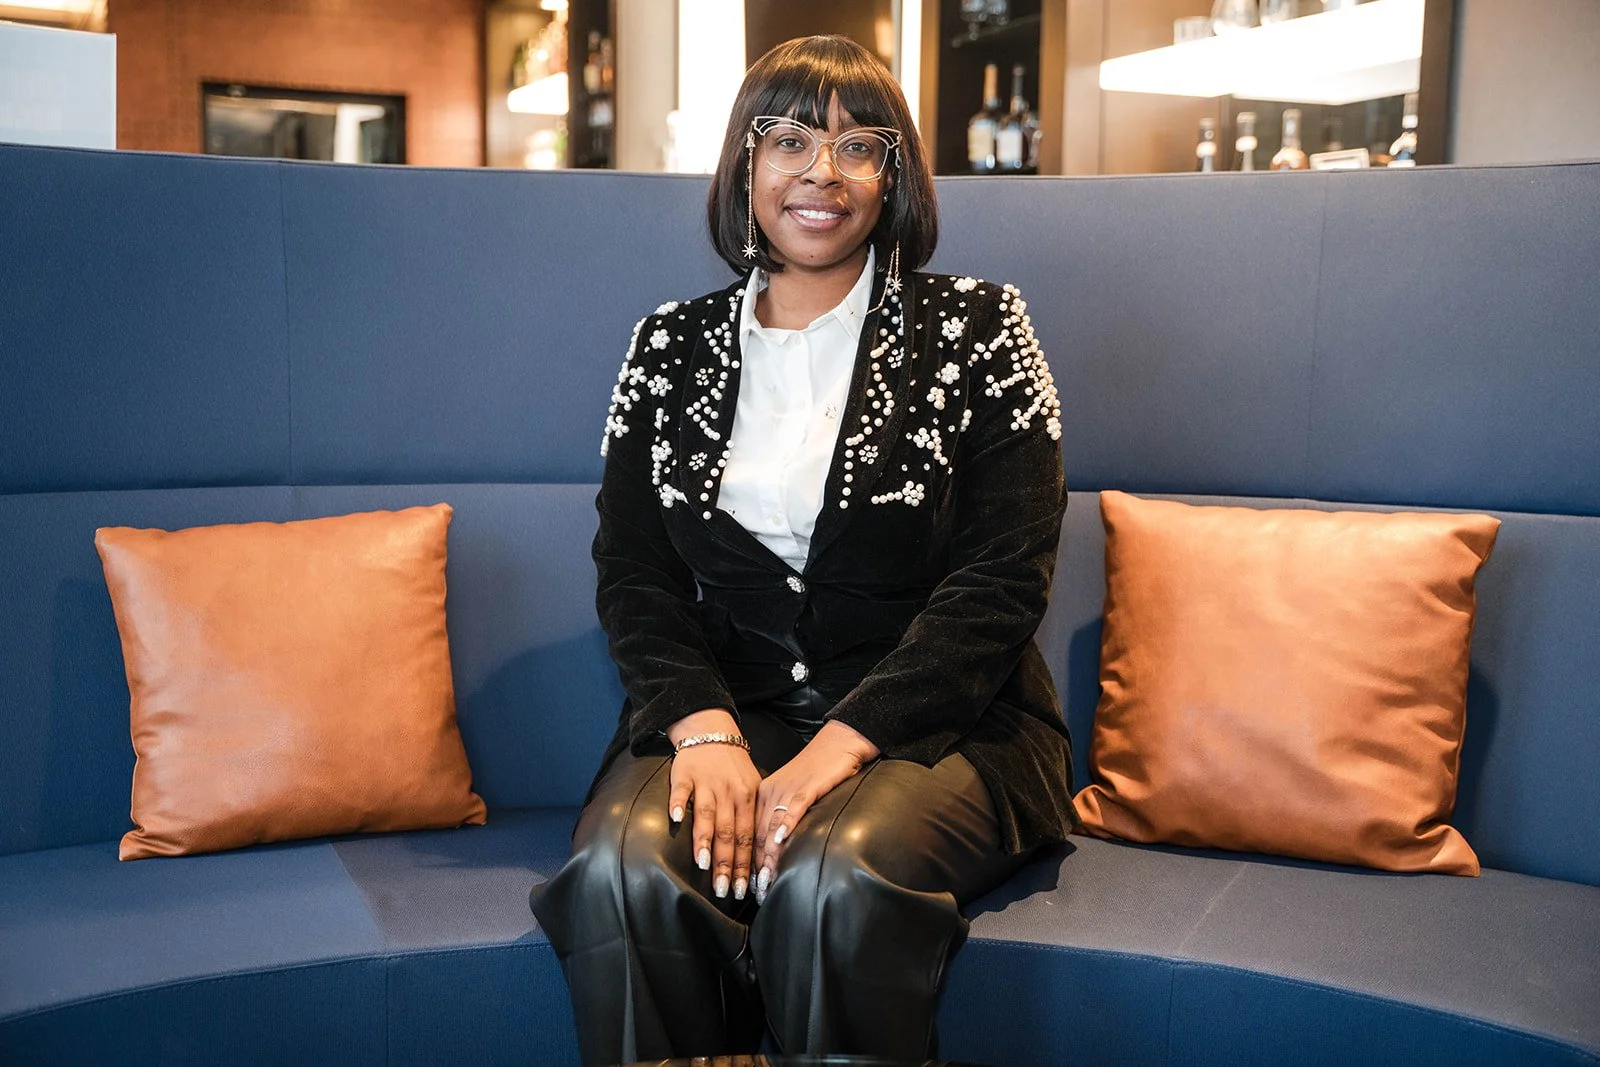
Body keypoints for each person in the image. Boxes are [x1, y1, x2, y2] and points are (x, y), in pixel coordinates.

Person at [530, 34, 1075, 1065]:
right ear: (745, 162)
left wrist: (832, 752)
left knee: (831, 874)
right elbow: (635, 573)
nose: (822, 172)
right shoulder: (667, 346)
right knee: (620, 869)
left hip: (944, 729)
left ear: (892, 178)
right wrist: (705, 734)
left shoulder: (980, 328)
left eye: (859, 146)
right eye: (788, 141)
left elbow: (1003, 579)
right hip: (729, 712)